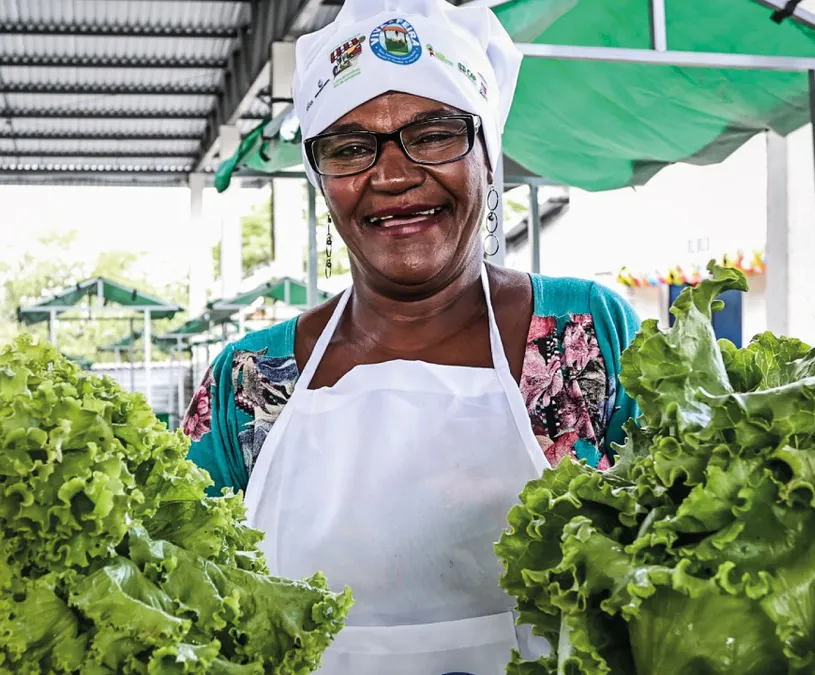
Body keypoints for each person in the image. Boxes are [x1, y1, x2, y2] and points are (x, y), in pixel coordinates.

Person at [180, 0, 640, 672]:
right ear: (321, 180)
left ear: (487, 151)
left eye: (433, 134)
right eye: (350, 147)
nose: (393, 176)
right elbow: (186, 598)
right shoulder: (246, 380)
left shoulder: (589, 333)